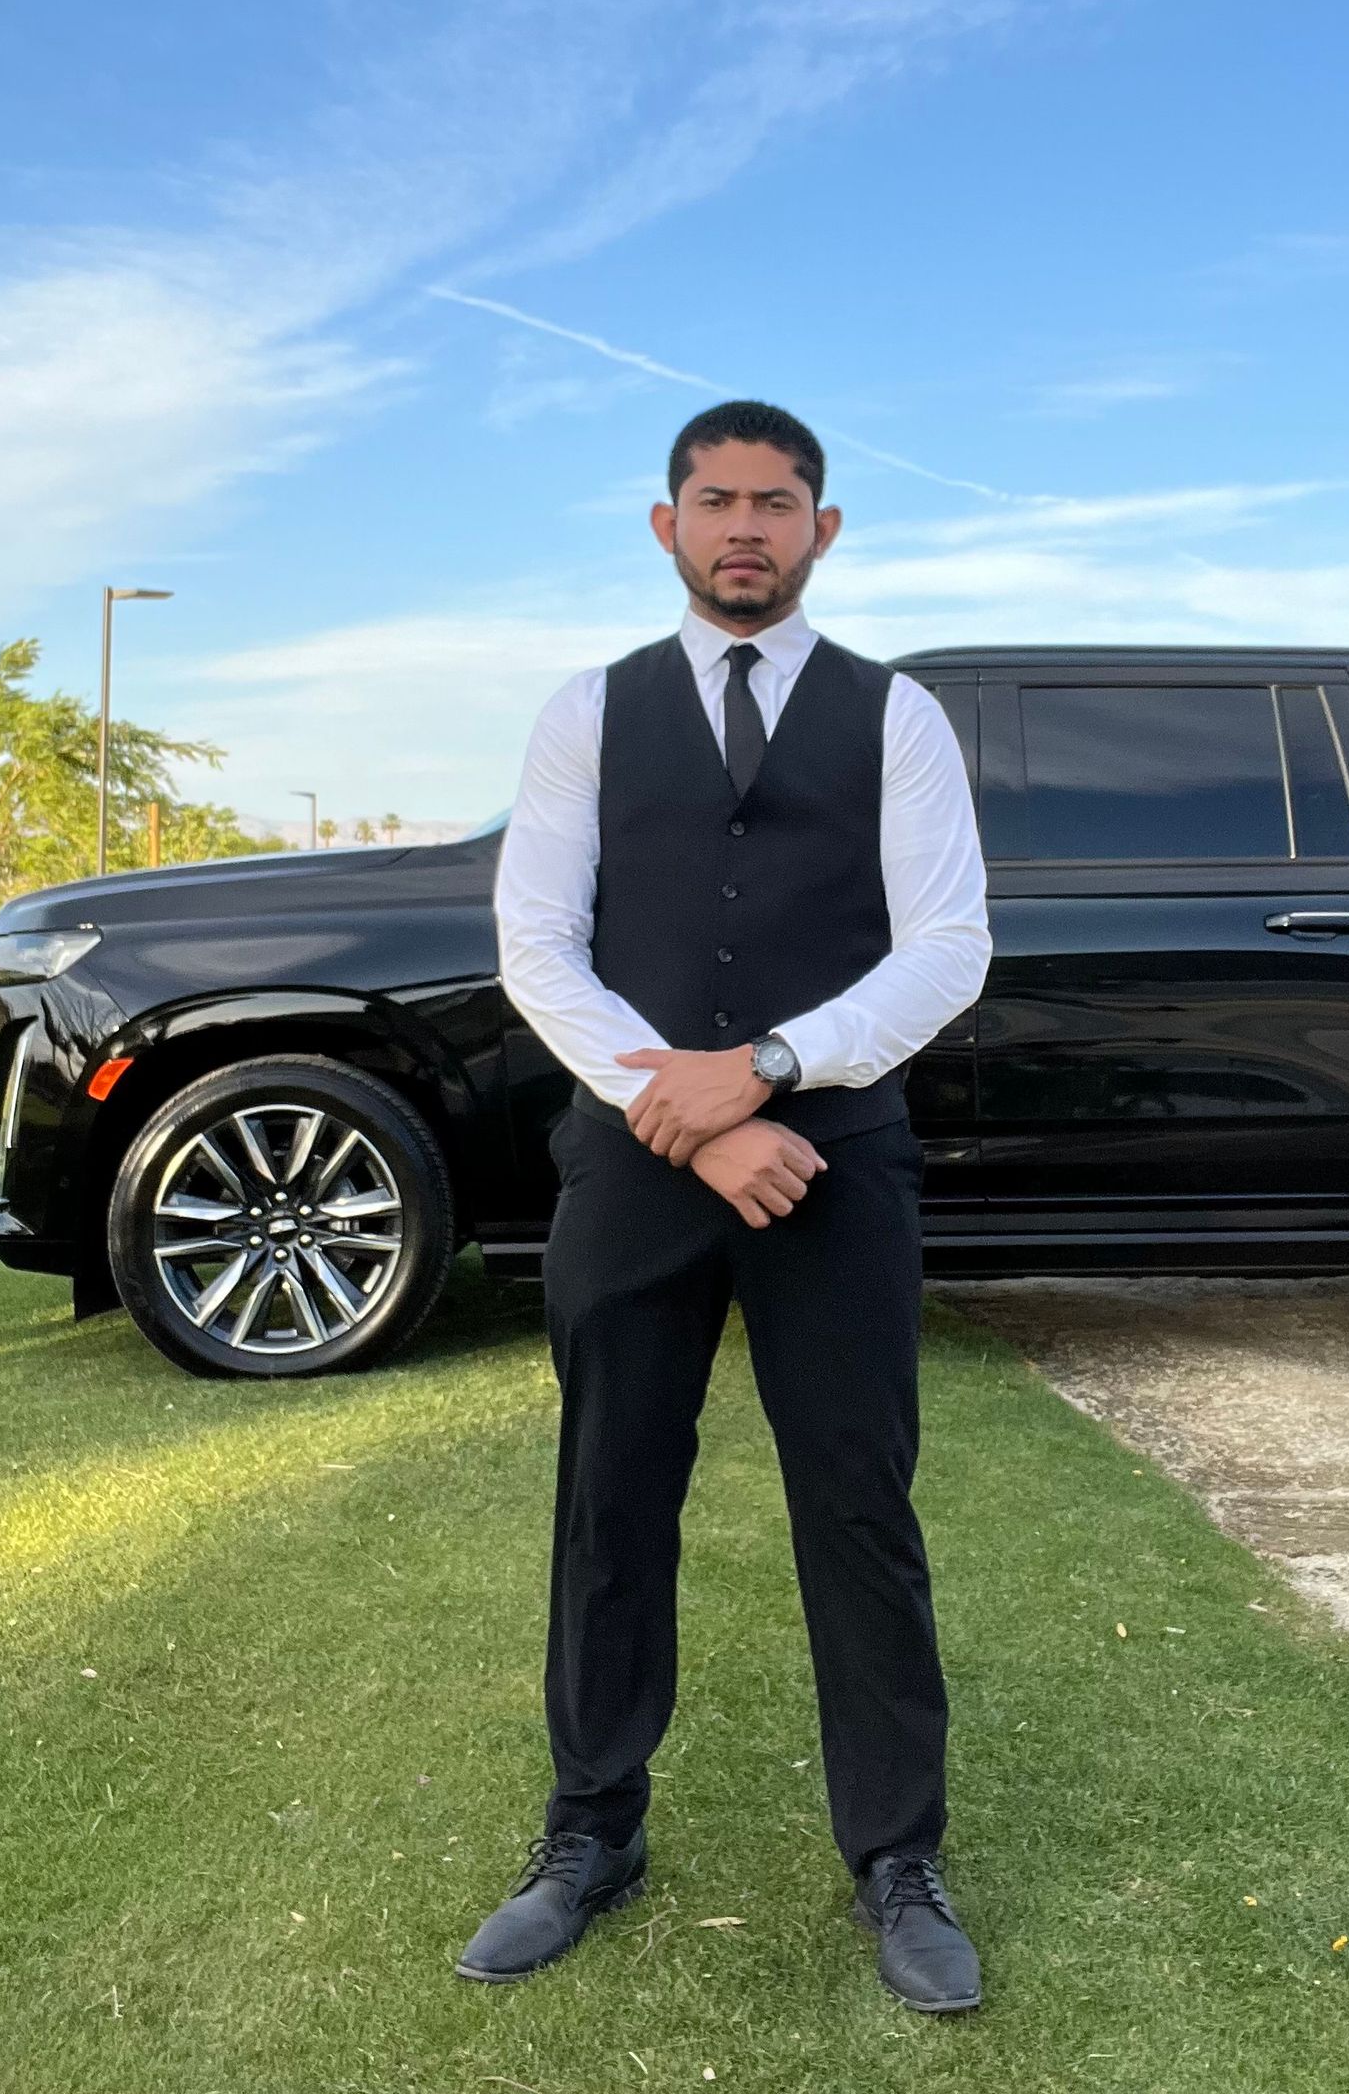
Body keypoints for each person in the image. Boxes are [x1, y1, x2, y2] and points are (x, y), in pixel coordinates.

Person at [453, 399, 993, 2013]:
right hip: (638, 1164)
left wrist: (765, 1069)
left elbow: (947, 947)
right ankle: (590, 1833)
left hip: (838, 1162)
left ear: (823, 529)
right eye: (715, 500)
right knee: (612, 1500)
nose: (745, 525)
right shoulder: (587, 715)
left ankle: (898, 1856)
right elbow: (538, 945)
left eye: (776, 502)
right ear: (666, 525)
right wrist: (680, 1116)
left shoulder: (897, 718)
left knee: (859, 1507)